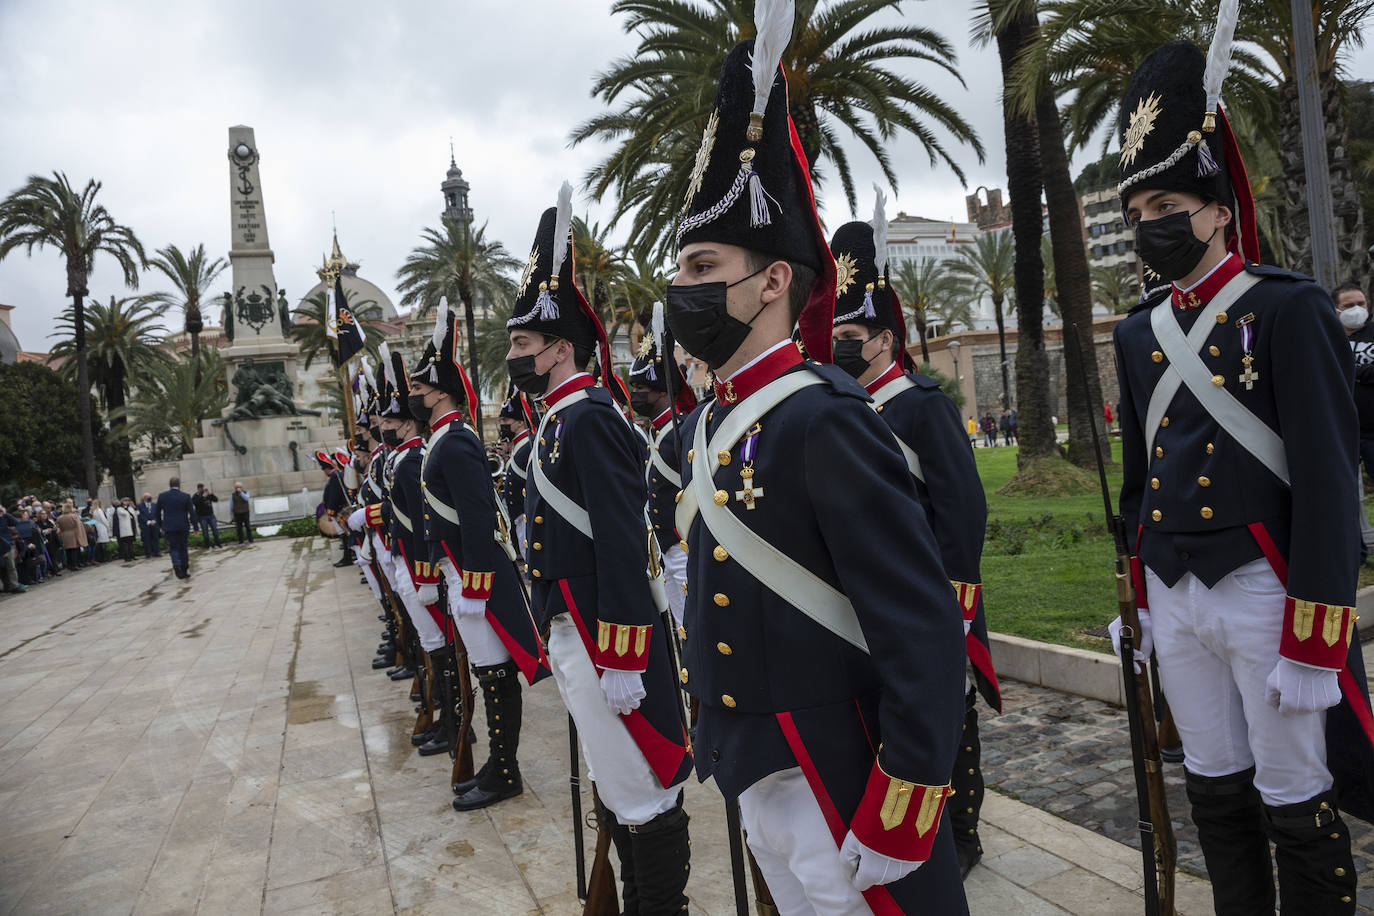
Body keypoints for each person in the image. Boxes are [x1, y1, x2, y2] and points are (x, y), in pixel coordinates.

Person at [666, 8, 968, 910]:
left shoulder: (824, 416)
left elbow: (918, 627)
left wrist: (905, 800)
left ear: (772, 281)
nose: (681, 289)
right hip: (757, 761)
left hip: (837, 766)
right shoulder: (707, 426)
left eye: (703, 265)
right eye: (680, 268)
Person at [1110, 38, 1374, 912]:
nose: (1154, 221)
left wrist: (1318, 633)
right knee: (1213, 787)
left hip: (1264, 586)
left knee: (1294, 793)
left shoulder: (1287, 307)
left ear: (1219, 209)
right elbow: (1139, 476)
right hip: (1175, 585)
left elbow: (1332, 483)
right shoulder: (1137, 333)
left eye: (1170, 202)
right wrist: (1139, 592)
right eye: (1140, 205)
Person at [506, 184, 692, 913]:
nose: (515, 356)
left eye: (524, 345)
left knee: (643, 790)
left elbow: (624, 541)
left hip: (604, 637)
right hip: (574, 630)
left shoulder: (589, 420)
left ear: (558, 349)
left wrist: (621, 652)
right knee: (620, 787)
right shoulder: (559, 421)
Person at [828, 199, 1002, 879]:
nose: (841, 343)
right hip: (870, 597)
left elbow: (964, 512)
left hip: (934, 592)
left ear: (885, 340)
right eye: (834, 329)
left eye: (854, 332)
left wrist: (953, 605)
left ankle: (962, 833)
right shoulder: (840, 412)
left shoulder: (922, 407)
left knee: (949, 715)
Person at [410, 305, 551, 810]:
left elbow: (477, 518)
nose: (414, 398)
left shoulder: (457, 440)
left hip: (477, 579)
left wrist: (473, 584)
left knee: (494, 672)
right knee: (485, 672)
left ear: (441, 392)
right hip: (459, 574)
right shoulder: (441, 440)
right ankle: (498, 764)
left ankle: (504, 770)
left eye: (420, 391)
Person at [628, 309, 698, 630]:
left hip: (683, 548)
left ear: (659, 389)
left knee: (693, 626)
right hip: (663, 550)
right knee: (679, 627)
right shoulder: (657, 432)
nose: (635, 395)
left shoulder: (682, 430)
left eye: (640, 388)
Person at [1334, 281, 1374, 550]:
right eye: (1349, 305)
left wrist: (1352, 373)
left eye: (1361, 304)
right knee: (1345, 494)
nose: (1357, 309)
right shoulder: (1329, 337)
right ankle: (1356, 551)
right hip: (1343, 431)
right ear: (1336, 309)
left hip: (1373, 431)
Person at [497, 391, 534, 557]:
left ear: (520, 422)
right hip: (520, 519)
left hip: (529, 517)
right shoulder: (519, 446)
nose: (502, 425)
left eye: (505, 420)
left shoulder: (529, 446)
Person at [156, 477, 196, 579]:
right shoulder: (185, 496)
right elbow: (192, 513)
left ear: (170, 485)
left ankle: (176, 563)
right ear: (179, 484)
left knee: (173, 547)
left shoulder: (162, 496)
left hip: (169, 526)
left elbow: (157, 513)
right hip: (183, 526)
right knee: (183, 547)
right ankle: (184, 569)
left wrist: (160, 525)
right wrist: (195, 527)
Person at [319, 452, 352, 567]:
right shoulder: (338, 475)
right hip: (342, 509)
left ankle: (347, 558)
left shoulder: (335, 477)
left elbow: (334, 496)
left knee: (344, 534)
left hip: (339, 510)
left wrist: (331, 511)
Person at [56, 500, 86, 570]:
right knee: (74, 550)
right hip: (73, 534)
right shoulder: (73, 516)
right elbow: (78, 525)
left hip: (64, 534)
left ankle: (69, 565)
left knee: (68, 551)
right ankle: (75, 564)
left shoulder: (59, 518)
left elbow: (58, 526)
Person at [0, 507, 24, 593]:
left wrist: (5, 513)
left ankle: (14, 586)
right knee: (2, 567)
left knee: (11, 566)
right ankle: (5, 586)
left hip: (9, 543)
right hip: (1, 544)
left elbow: (16, 522)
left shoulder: (5, 517)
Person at [192, 484, 221, 549]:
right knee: (205, 533)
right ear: (198, 489)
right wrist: (202, 497)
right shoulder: (195, 496)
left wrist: (211, 494)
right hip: (202, 517)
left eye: (202, 488)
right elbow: (194, 503)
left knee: (215, 531)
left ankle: (218, 544)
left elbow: (216, 500)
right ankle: (207, 546)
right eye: (200, 488)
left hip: (211, 515)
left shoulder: (207, 494)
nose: (202, 489)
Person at [111, 497, 137, 561]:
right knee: (125, 544)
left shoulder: (129, 508)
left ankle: (132, 555)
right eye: (125, 501)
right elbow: (125, 514)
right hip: (124, 529)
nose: (127, 502)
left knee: (130, 543)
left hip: (130, 528)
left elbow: (133, 514)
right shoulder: (119, 509)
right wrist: (126, 508)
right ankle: (127, 557)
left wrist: (130, 507)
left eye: (128, 501)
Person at [137, 492, 161, 558]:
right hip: (145, 525)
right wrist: (148, 521)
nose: (150, 498)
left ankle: (157, 552)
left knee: (155, 539)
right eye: (148, 496)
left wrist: (154, 521)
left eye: (150, 496)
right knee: (147, 539)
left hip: (154, 524)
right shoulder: (139, 506)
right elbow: (140, 515)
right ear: (144, 498)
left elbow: (157, 514)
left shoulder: (154, 505)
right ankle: (148, 553)